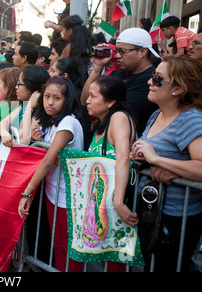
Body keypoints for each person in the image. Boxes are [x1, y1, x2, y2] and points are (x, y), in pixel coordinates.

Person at [130, 55, 202, 272]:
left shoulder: (191, 119)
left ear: (178, 89)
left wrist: (158, 160)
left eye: (158, 79)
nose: (150, 82)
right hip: (151, 210)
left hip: (176, 217)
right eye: (153, 77)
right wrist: (142, 159)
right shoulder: (156, 115)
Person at [17, 76, 84, 272]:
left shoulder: (68, 123)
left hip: (68, 194)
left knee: (68, 246)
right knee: (59, 243)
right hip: (53, 192)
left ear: (67, 100)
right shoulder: (52, 122)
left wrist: (27, 193)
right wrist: (37, 139)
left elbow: (48, 161)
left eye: (57, 98)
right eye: (46, 96)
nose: (50, 102)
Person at [85, 75, 138, 271]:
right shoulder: (102, 123)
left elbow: (123, 157)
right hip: (105, 208)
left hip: (119, 206)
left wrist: (118, 201)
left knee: (117, 263)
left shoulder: (119, 117)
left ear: (110, 102)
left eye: (92, 96)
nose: (87, 101)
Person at [81, 27, 161, 136]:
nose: (117, 56)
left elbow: (117, 113)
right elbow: (85, 99)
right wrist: (98, 65)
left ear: (142, 51)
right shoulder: (118, 74)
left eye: (123, 51)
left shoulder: (151, 80)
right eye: (116, 51)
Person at [0, 65, 50, 145]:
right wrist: (5, 135)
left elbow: (23, 141)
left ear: (31, 86)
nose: (16, 87)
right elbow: (3, 123)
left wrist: (29, 107)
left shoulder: (40, 110)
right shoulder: (24, 105)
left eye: (19, 83)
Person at [59, 15, 92, 88]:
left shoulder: (69, 47)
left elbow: (59, 65)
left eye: (62, 29)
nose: (61, 32)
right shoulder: (88, 43)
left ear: (70, 31)